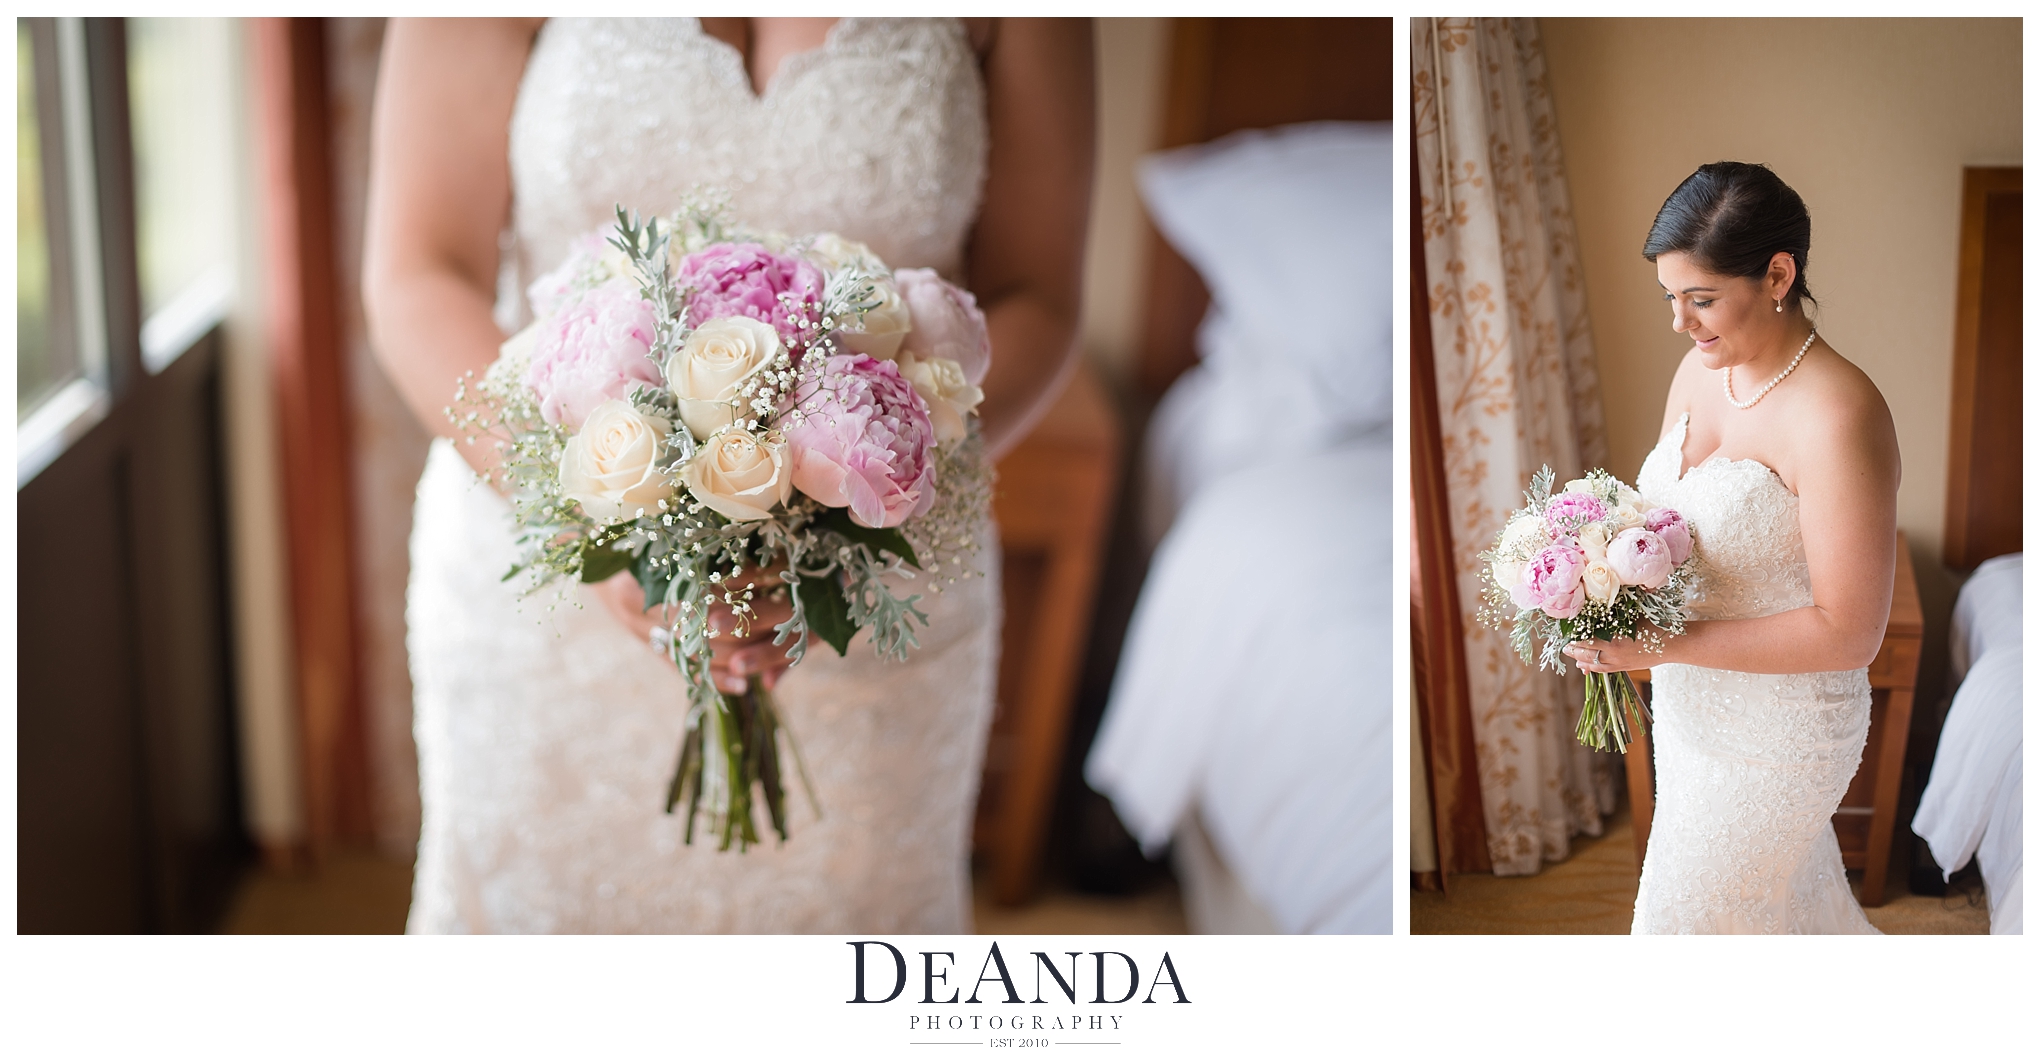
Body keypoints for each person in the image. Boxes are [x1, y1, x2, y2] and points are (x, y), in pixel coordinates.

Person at [361, 17, 1092, 933]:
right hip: (547, 605)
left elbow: (1040, 295)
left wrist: (857, 515)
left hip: (882, 614)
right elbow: (420, 271)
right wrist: (596, 519)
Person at [1562, 161, 1899, 934]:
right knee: (1772, 920)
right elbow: (1658, 522)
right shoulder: (1698, 368)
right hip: (1691, 708)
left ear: (1778, 273)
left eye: (1702, 299)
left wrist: (1665, 641)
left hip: (1781, 735)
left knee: (1684, 926)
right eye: (1670, 298)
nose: (1680, 322)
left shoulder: (1839, 414)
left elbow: (1851, 631)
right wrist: (1594, 578)